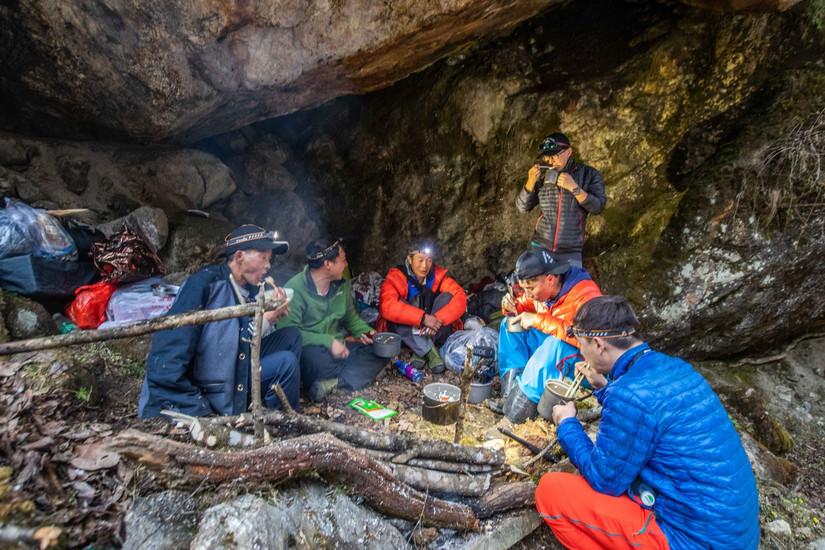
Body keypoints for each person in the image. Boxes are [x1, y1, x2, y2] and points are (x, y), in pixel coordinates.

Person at [537, 295, 759, 549]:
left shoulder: (629, 396)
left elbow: (603, 478)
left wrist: (567, 424)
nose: (581, 352)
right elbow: (646, 416)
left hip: (689, 539)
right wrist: (604, 388)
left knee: (551, 491)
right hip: (732, 533)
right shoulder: (674, 367)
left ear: (598, 344)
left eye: (581, 344)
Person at [138, 224, 302, 418]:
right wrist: (267, 319)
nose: (268, 265)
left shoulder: (250, 289)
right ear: (240, 256)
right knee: (285, 363)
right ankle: (281, 423)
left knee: (291, 336)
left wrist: (272, 314)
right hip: (214, 384)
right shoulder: (205, 285)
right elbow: (173, 351)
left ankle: (263, 405)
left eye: (270, 259)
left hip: (238, 369)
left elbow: (244, 345)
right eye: (263, 257)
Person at [497, 247, 601, 422]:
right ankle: (511, 393)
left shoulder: (585, 294)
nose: (528, 294)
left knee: (556, 345)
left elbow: (589, 339)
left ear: (550, 279)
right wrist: (512, 306)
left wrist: (537, 320)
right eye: (524, 289)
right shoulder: (544, 292)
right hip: (556, 349)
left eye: (530, 288)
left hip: (586, 363)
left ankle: (516, 415)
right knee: (510, 325)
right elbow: (525, 304)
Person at [280, 238, 388, 402]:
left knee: (381, 351)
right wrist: (328, 341)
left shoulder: (341, 285)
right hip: (313, 350)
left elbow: (350, 317)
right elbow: (288, 334)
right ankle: (347, 376)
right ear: (327, 264)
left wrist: (367, 332)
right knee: (315, 362)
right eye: (343, 261)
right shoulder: (295, 289)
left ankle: (334, 383)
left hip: (340, 347)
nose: (346, 265)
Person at [516, 132, 607, 267]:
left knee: (569, 287)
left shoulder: (589, 174)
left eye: (555, 155)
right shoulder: (542, 176)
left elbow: (598, 206)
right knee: (534, 287)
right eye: (547, 156)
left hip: (570, 251)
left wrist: (574, 188)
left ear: (569, 152)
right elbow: (522, 207)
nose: (550, 160)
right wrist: (530, 182)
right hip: (540, 246)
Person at [376, 240, 467, 373]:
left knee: (448, 297)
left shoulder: (437, 276)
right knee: (398, 308)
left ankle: (420, 350)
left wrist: (436, 319)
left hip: (432, 328)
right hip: (405, 332)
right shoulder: (397, 276)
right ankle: (430, 351)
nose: (425, 266)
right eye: (420, 260)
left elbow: (460, 297)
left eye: (429, 260)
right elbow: (387, 306)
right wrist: (423, 319)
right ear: (409, 259)